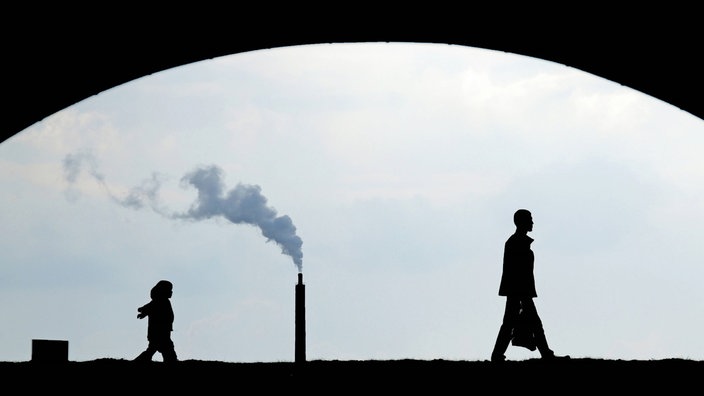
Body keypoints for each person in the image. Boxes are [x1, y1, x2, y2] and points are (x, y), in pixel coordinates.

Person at [490, 209, 568, 362]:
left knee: (512, 323)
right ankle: (545, 354)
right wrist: (522, 295)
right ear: (522, 222)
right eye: (530, 219)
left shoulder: (517, 242)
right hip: (519, 291)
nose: (532, 222)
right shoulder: (515, 243)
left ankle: (498, 355)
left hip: (519, 291)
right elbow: (514, 271)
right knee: (529, 323)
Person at [134, 280, 178, 363]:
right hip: (159, 331)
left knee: (155, 348)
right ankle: (171, 360)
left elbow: (149, 308)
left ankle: (171, 360)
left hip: (163, 330)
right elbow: (149, 308)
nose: (171, 292)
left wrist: (143, 312)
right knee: (166, 347)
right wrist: (142, 311)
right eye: (169, 290)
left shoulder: (164, 302)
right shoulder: (159, 301)